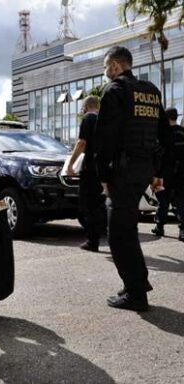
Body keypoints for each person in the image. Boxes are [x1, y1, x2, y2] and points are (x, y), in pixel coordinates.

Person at [95, 46, 172, 312]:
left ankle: (136, 293)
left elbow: (104, 140)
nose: (105, 72)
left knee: (119, 234)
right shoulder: (150, 91)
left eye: (106, 67)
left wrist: (103, 176)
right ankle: (134, 285)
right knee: (127, 228)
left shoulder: (114, 91)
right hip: (144, 169)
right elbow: (165, 134)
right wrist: (158, 172)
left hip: (123, 170)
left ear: (115, 66)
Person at [67, 96, 106, 252]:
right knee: (100, 203)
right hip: (105, 167)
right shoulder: (106, 120)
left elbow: (81, 143)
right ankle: (104, 233)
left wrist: (70, 164)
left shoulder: (88, 119)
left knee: (87, 204)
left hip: (90, 167)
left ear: (86, 106)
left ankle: (92, 241)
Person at [151, 108, 184, 240]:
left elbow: (155, 154)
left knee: (161, 200)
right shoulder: (183, 132)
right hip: (181, 174)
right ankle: (182, 230)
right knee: (181, 200)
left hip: (161, 174)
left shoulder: (161, 133)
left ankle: (159, 226)